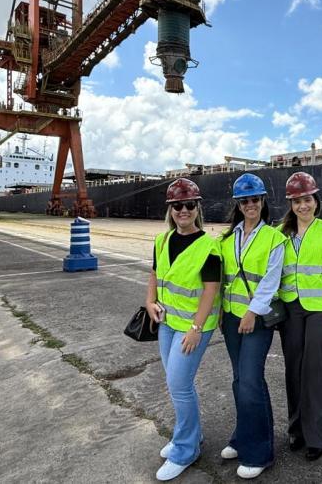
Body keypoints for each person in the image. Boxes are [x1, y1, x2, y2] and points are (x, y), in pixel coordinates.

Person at [146, 178, 222, 481]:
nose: (184, 210)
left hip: (193, 327)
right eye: (178, 205)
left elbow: (210, 290)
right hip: (167, 324)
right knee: (176, 384)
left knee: (179, 384)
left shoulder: (209, 245)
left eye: (190, 205)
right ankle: (191, 435)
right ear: (170, 209)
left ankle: (186, 450)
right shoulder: (162, 240)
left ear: (197, 208)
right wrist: (149, 301)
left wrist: (196, 328)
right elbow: (154, 273)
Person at [219, 173, 286, 479]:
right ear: (238, 204)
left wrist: (252, 312)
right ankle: (242, 435)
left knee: (249, 380)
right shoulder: (228, 239)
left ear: (262, 202)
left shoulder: (274, 238)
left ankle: (259, 452)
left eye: (255, 200)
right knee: (239, 380)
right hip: (231, 318)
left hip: (256, 320)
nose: (250, 205)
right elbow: (223, 280)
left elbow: (271, 281)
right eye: (245, 201)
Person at [276, 172, 322, 461]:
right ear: (291, 204)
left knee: (316, 371)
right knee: (293, 368)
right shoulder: (280, 234)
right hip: (290, 308)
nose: (302, 206)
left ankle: (317, 436)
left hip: (321, 309)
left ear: (316, 201)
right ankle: (297, 430)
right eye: (296, 201)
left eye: (307, 199)